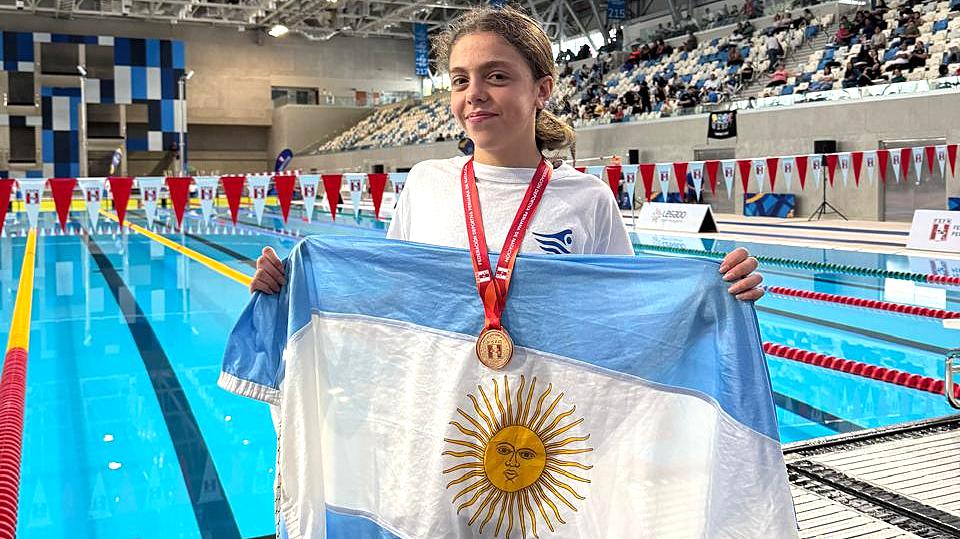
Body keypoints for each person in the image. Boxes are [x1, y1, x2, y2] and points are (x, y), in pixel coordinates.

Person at [250, 6, 764, 302]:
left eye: (496, 76)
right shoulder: (427, 183)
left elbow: (621, 311)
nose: (474, 93)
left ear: (542, 89)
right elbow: (389, 297)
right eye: (459, 80)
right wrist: (292, 291)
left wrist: (713, 294)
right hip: (446, 427)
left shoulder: (588, 198)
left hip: (549, 431)